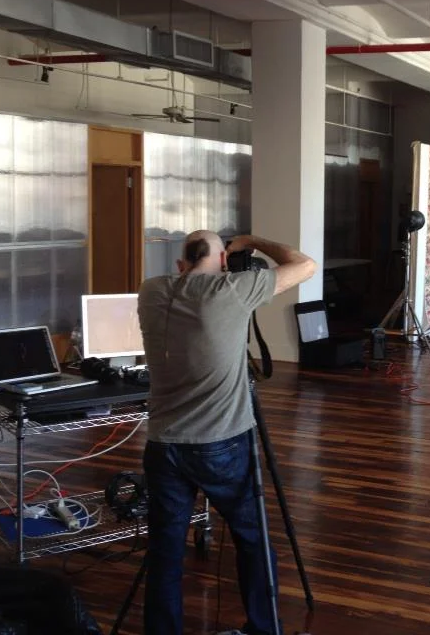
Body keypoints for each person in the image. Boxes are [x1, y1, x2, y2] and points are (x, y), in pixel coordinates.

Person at [137, 230, 316, 635]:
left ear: (180, 265)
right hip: (222, 443)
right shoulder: (231, 290)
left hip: (162, 444)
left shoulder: (151, 291)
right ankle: (262, 627)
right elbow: (305, 265)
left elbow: (191, 276)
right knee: (251, 537)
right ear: (222, 263)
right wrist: (252, 240)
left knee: (165, 551)